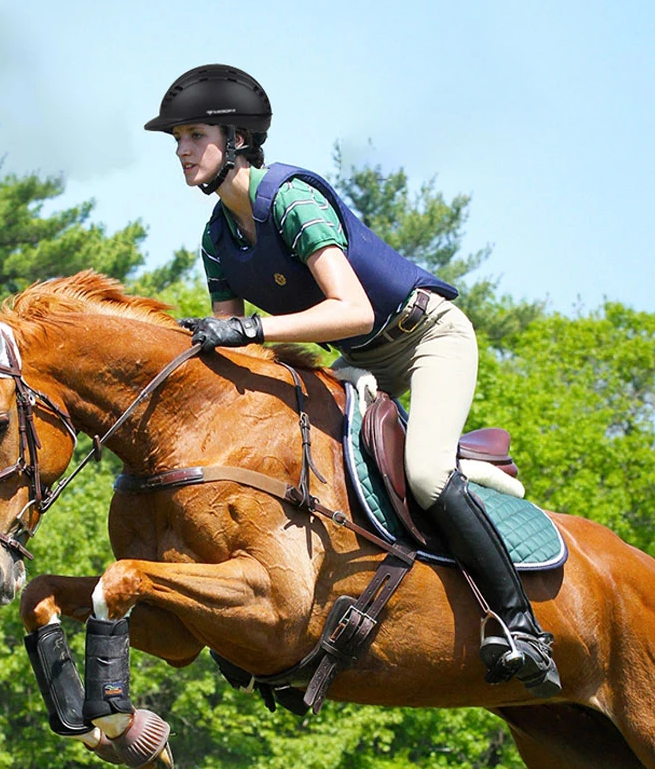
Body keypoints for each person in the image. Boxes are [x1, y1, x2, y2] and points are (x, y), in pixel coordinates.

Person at [144, 64, 560, 698]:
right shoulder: (217, 238)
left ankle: (521, 627)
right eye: (175, 138)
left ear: (235, 139)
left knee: (423, 475)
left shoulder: (290, 198)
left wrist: (253, 331)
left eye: (192, 134)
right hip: (360, 360)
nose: (180, 150)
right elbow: (233, 356)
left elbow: (354, 309)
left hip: (424, 338)